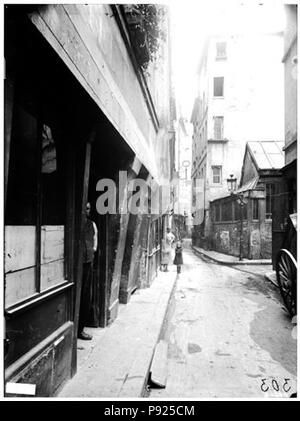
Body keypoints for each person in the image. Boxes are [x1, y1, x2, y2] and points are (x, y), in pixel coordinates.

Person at [78, 202, 98, 340]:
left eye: (88, 208)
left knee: (86, 297)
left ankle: (81, 329)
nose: (86, 210)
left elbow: (95, 240)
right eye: (84, 208)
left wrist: (92, 250)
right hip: (77, 265)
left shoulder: (92, 224)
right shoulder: (76, 223)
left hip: (88, 263)